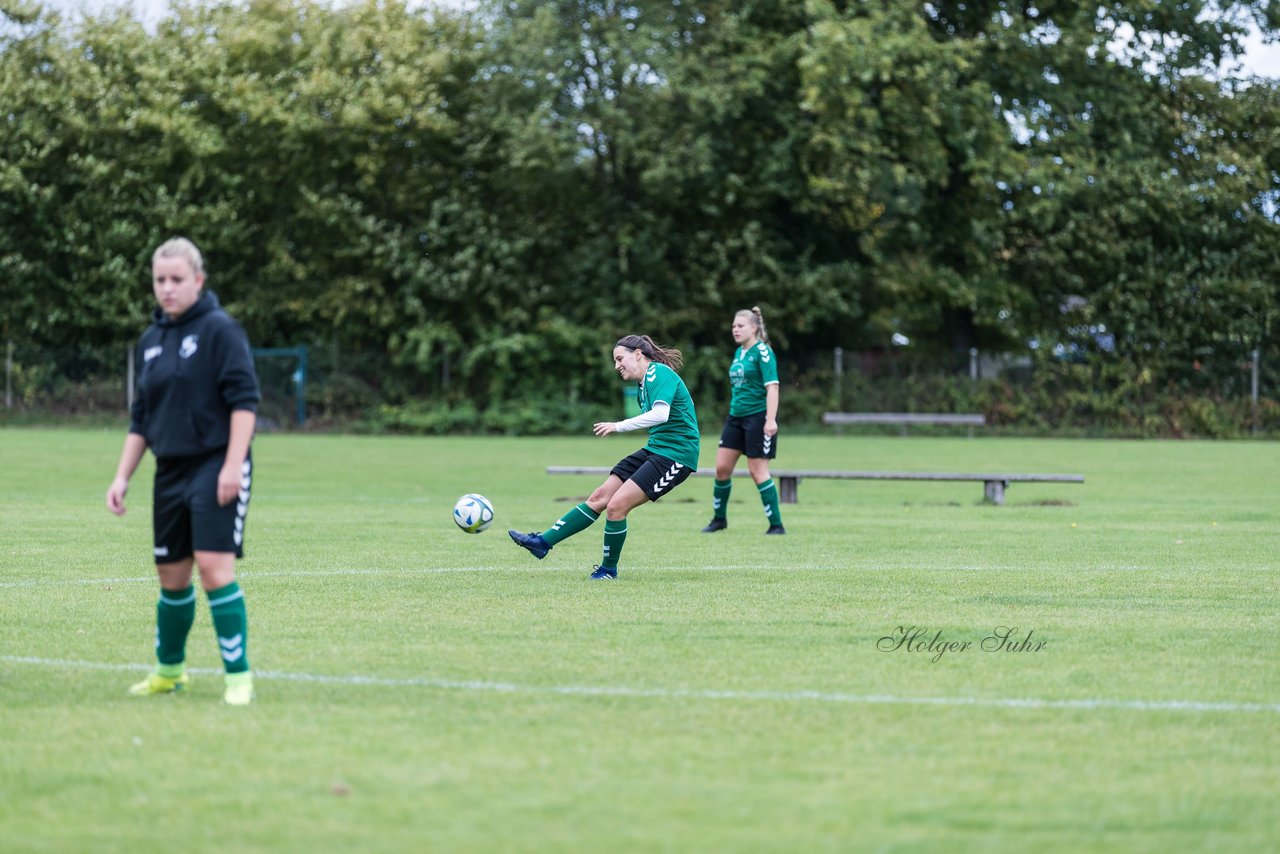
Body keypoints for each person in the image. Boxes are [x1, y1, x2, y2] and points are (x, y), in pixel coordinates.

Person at [106, 237, 260, 705]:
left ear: (198, 280)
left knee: (214, 569)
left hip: (217, 464)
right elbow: (141, 421)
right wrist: (121, 476)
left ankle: (239, 678)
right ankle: (170, 672)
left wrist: (233, 465)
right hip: (169, 471)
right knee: (171, 575)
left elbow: (245, 403)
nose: (167, 289)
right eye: (159, 280)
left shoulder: (220, 330)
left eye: (176, 279)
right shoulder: (151, 341)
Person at [509, 335, 701, 580]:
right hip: (656, 448)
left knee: (616, 506)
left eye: (620, 358)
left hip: (676, 455)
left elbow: (661, 414)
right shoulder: (643, 386)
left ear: (638, 354)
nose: (617, 365)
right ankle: (542, 543)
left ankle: (608, 570)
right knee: (600, 497)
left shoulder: (658, 373)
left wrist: (618, 426)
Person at [701, 306, 785, 535]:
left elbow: (773, 387)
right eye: (733, 326)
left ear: (754, 328)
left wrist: (770, 420)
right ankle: (719, 520)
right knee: (721, 468)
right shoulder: (739, 353)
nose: (735, 330)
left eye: (740, 326)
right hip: (735, 417)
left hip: (758, 418)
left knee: (757, 471)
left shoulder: (763, 352)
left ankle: (776, 525)